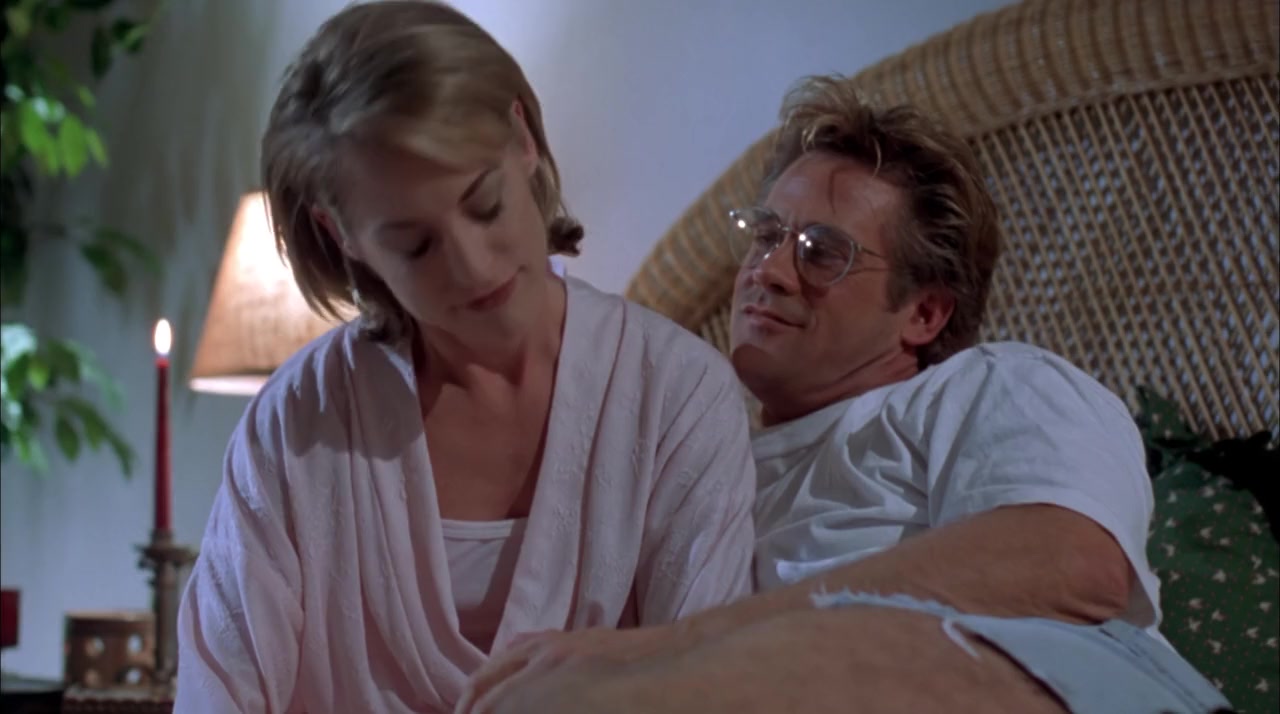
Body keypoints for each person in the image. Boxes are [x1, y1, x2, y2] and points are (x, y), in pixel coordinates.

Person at [458, 76, 1232, 713]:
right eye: (766, 235)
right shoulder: (701, 471)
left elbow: (1071, 564)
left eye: (820, 252)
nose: (768, 270)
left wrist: (679, 647)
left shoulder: (993, 383)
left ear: (924, 313)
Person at [174, 2, 756, 712]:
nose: (473, 266)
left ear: (522, 137)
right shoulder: (299, 426)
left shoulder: (676, 396)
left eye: (485, 206)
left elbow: (707, 681)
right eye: (415, 245)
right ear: (342, 233)